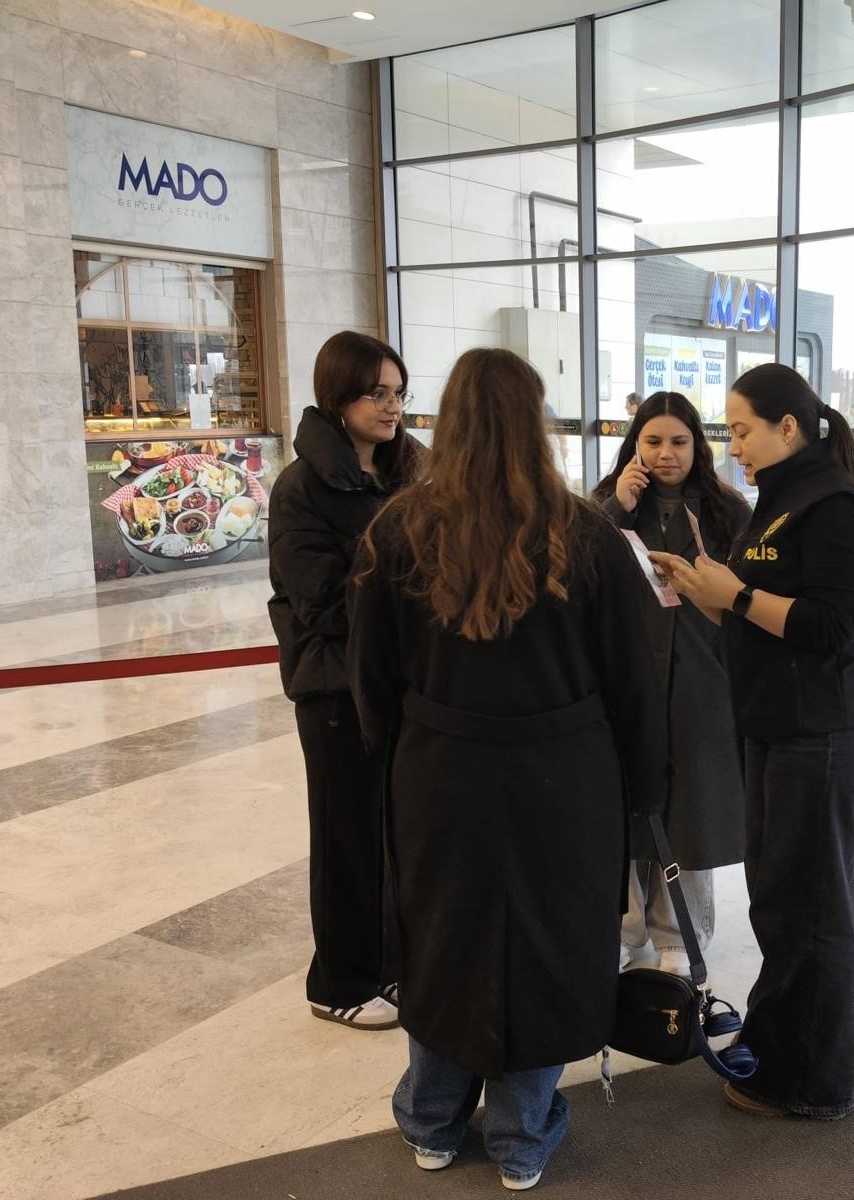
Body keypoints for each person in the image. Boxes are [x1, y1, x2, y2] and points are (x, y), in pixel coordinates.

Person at [348, 348, 667, 1190]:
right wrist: (644, 789)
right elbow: (635, 682)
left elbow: (370, 681)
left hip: (440, 772)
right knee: (551, 947)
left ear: (448, 422)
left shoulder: (396, 533)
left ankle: (432, 1122)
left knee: (442, 939)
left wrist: (401, 757)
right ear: (537, 422)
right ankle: (522, 1138)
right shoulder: (588, 535)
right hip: (566, 778)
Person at [652, 363, 854, 1121]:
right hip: (777, 727)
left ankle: (813, 1083)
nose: (733, 446)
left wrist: (739, 595)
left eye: (742, 430)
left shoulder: (836, 506)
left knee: (811, 914)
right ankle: (780, 1052)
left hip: (823, 733)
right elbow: (760, 618)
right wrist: (706, 594)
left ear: (789, 427)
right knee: (782, 906)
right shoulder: (782, 500)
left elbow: (832, 627)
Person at [267, 332, 422, 1031]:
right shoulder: (302, 488)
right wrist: (410, 588)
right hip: (333, 685)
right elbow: (319, 599)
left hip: (396, 679)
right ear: (338, 396)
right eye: (376, 393)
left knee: (391, 835)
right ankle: (338, 982)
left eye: (398, 393)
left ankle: (386, 966)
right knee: (345, 839)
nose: (392, 406)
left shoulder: (406, 471)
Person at [595, 392, 750, 976]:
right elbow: (576, 568)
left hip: (700, 675)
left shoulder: (726, 510)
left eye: (679, 442)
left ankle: (682, 933)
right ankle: (625, 927)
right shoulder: (606, 506)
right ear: (635, 445)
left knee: (693, 808)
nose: (666, 454)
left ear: (697, 445)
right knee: (625, 804)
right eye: (653, 441)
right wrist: (617, 507)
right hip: (627, 676)